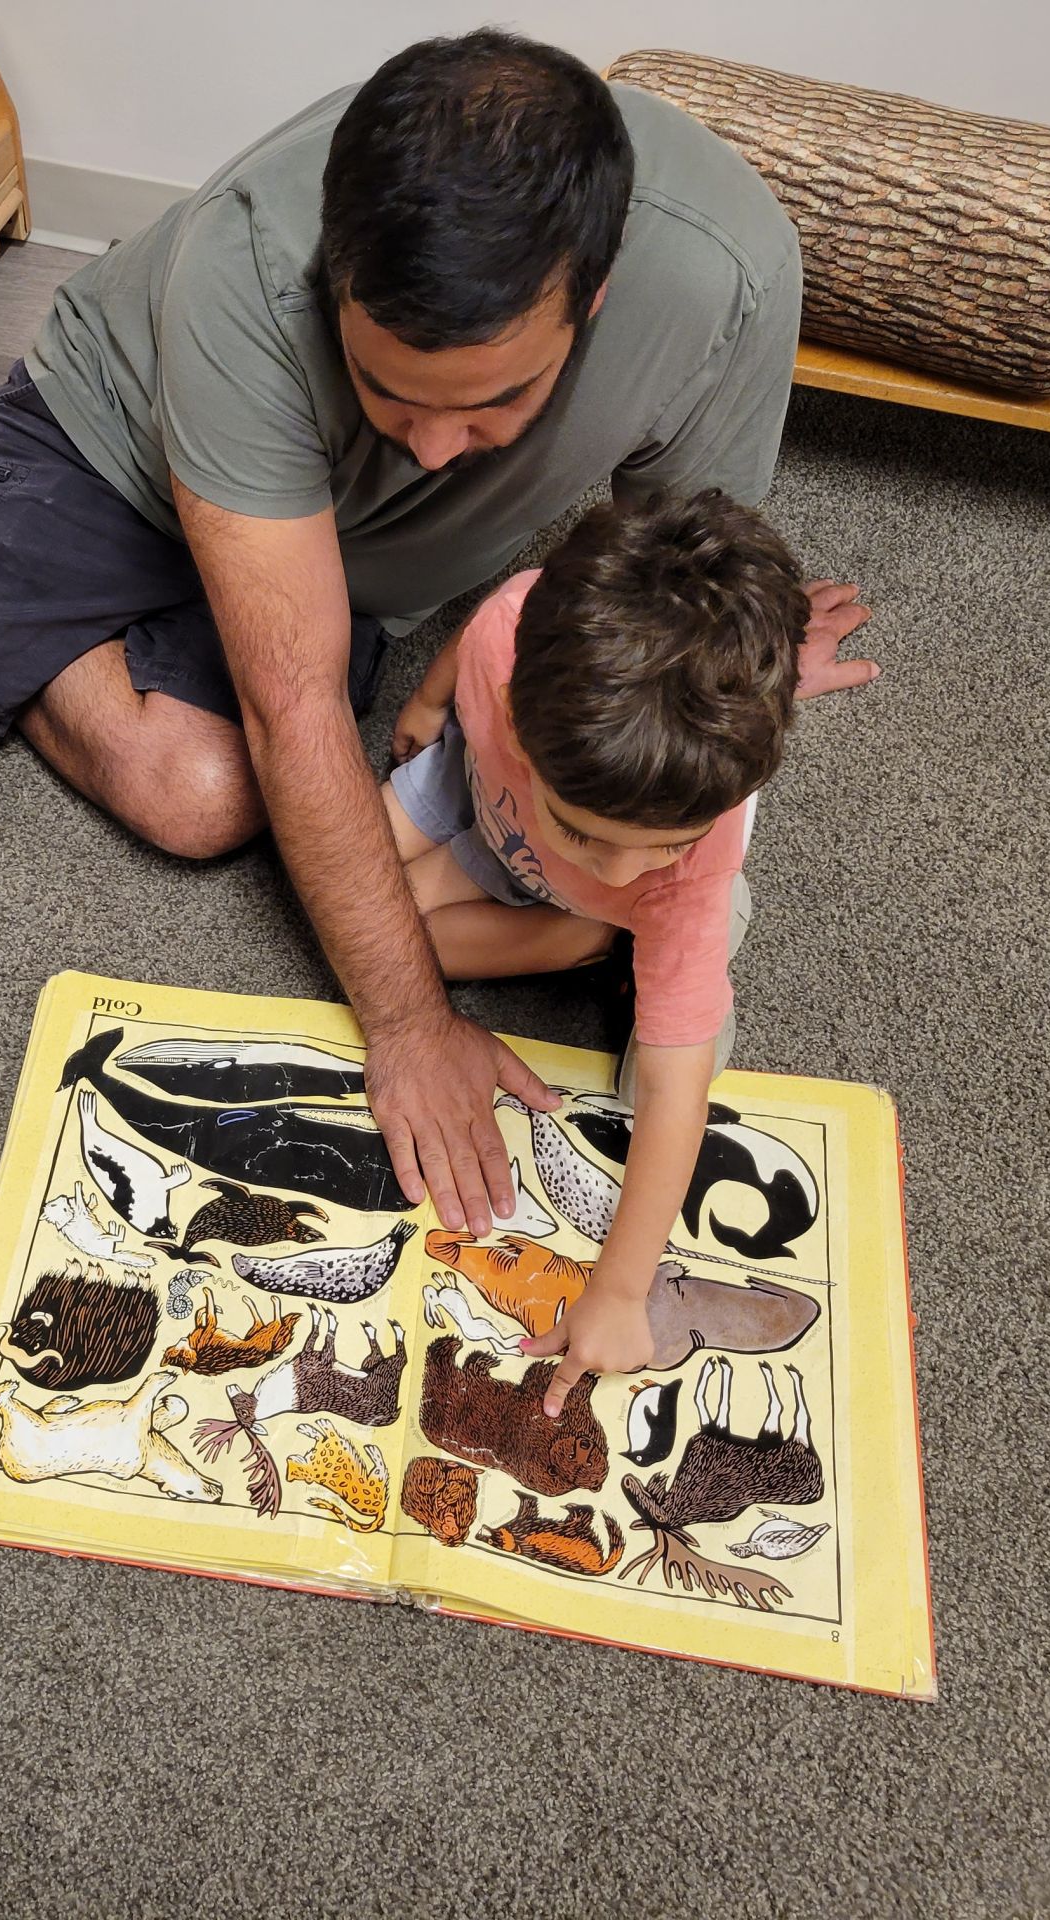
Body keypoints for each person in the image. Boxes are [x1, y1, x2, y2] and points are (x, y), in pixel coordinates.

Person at [0, 31, 875, 1240]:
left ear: (595, 296)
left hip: (345, 566)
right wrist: (410, 1026)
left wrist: (740, 661)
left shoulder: (727, 280)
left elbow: (665, 579)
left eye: (495, 404)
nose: (433, 451)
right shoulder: (248, 263)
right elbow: (295, 702)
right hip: (114, 446)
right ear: (335, 284)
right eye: (388, 392)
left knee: (203, 796)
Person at [383, 488, 807, 1414]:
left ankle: (601, 935)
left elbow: (676, 1093)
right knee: (361, 914)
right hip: (487, 799)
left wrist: (618, 1290)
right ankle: (582, 933)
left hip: (651, 908)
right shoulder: (504, 640)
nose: (623, 868)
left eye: (663, 842)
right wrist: (426, 701)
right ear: (513, 708)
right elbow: (481, 629)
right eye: (589, 835)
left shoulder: (680, 876)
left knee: (656, 1072)